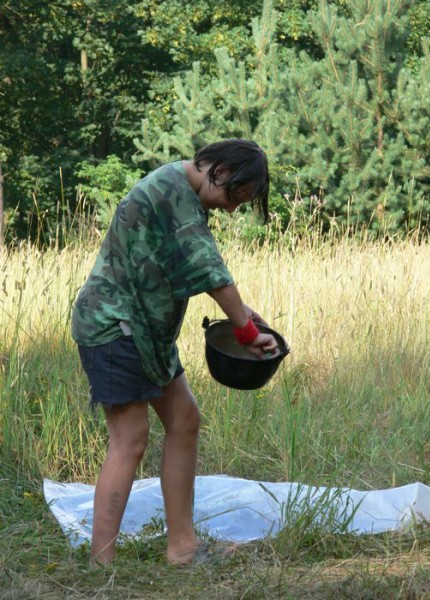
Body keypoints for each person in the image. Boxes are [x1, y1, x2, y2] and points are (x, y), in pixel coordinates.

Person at [71, 139, 278, 567]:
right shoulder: (173, 191)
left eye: (240, 203)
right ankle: (100, 564)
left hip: (144, 331)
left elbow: (189, 269)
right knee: (130, 440)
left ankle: (182, 548)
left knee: (184, 420)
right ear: (217, 170)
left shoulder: (186, 196)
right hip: (114, 326)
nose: (231, 209)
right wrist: (244, 331)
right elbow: (210, 269)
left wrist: (248, 318)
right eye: (233, 197)